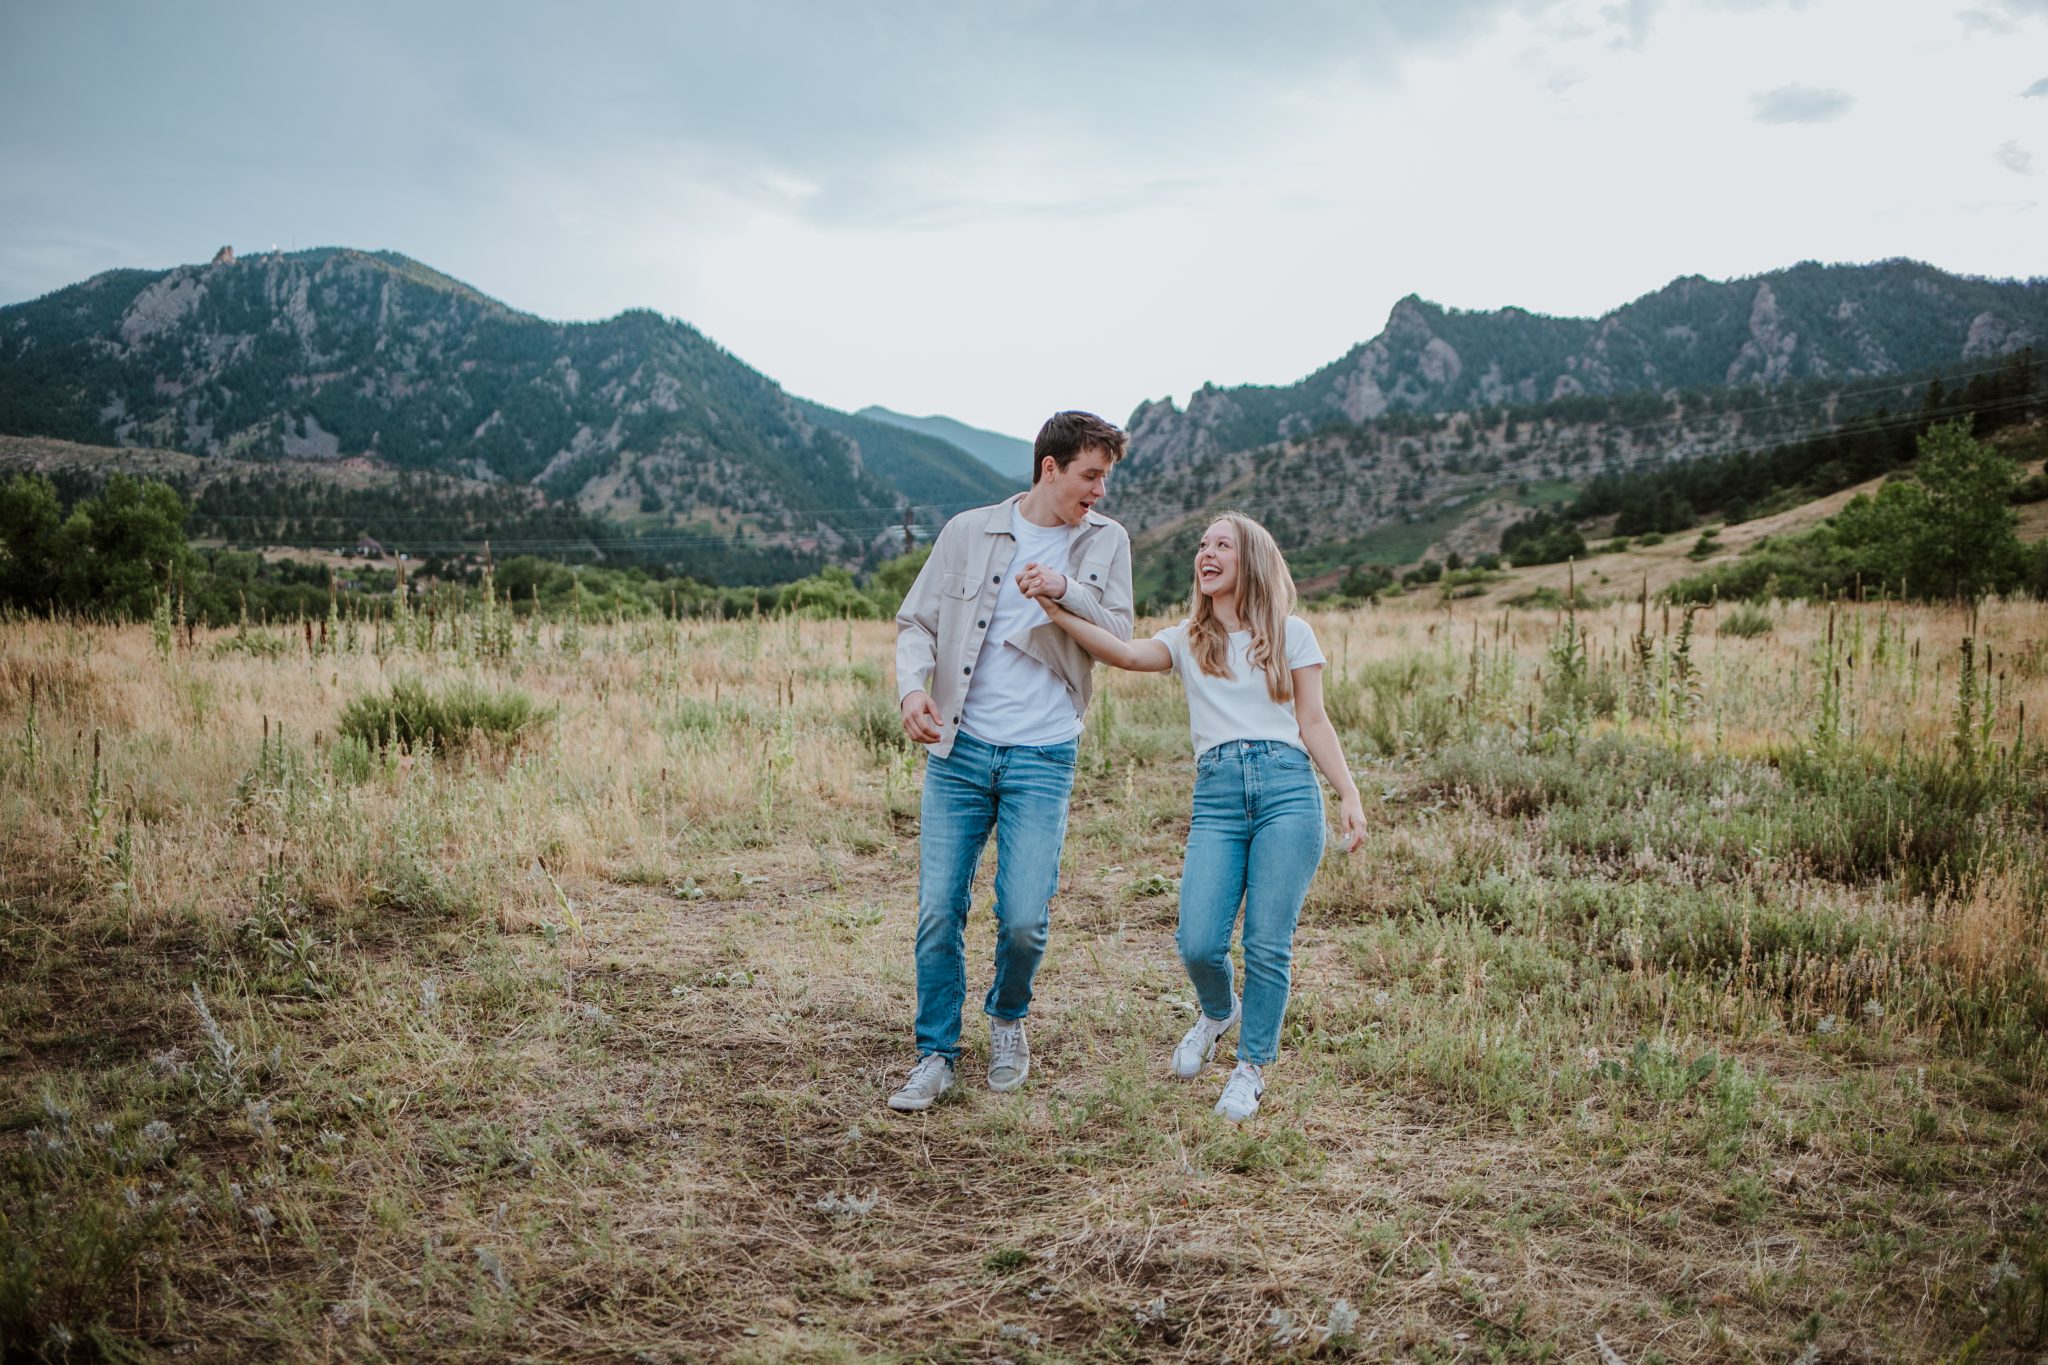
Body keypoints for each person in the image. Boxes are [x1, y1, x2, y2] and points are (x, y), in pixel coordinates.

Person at [1020, 512, 1366, 1122]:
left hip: (1288, 790)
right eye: (1202, 545)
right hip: (1218, 798)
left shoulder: (1293, 633)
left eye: (1221, 545)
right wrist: (1056, 608)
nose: (1206, 554)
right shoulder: (1186, 638)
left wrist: (1348, 793)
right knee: (1199, 940)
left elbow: (1313, 721)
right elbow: (1124, 654)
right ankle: (1217, 1010)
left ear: (1250, 560)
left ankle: (1250, 1067)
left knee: (1266, 941)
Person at [887, 411, 1134, 1112]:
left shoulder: (1106, 542)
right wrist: (911, 688)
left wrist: (1065, 591)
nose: (1100, 492)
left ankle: (1007, 1017)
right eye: (1091, 475)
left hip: (1044, 753)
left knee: (1024, 916)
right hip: (960, 751)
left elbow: (1118, 630)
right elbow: (918, 622)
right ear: (1050, 468)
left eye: (1105, 478)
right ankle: (935, 1053)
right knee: (939, 909)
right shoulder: (969, 531)